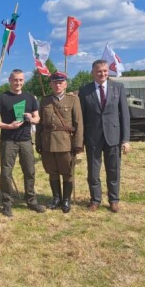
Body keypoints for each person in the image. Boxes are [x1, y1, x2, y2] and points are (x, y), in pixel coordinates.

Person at [79, 59, 131, 213]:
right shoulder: (84, 90)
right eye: (99, 71)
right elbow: (81, 117)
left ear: (108, 71)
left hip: (113, 137)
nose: (102, 74)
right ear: (92, 73)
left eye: (105, 71)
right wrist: (80, 142)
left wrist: (126, 139)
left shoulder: (118, 87)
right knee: (93, 173)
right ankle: (95, 200)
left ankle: (114, 200)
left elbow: (125, 115)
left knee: (113, 171)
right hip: (93, 138)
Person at [0, 69, 45, 217]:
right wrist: (8, 126)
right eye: (15, 80)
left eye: (21, 80)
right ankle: (7, 203)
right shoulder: (2, 97)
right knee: (6, 173)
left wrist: (31, 118)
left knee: (30, 171)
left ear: (24, 81)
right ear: (10, 79)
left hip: (26, 140)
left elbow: (38, 118)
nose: (18, 83)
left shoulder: (30, 97)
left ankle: (31, 201)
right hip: (8, 140)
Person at [35, 72, 83, 213]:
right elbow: (40, 124)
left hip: (65, 142)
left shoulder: (73, 100)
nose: (58, 85)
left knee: (67, 172)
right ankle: (56, 198)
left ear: (65, 84)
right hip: (48, 142)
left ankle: (66, 199)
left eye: (61, 82)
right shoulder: (45, 100)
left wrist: (78, 145)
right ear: (51, 84)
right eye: (55, 82)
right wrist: (38, 142)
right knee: (52, 171)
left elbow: (79, 123)